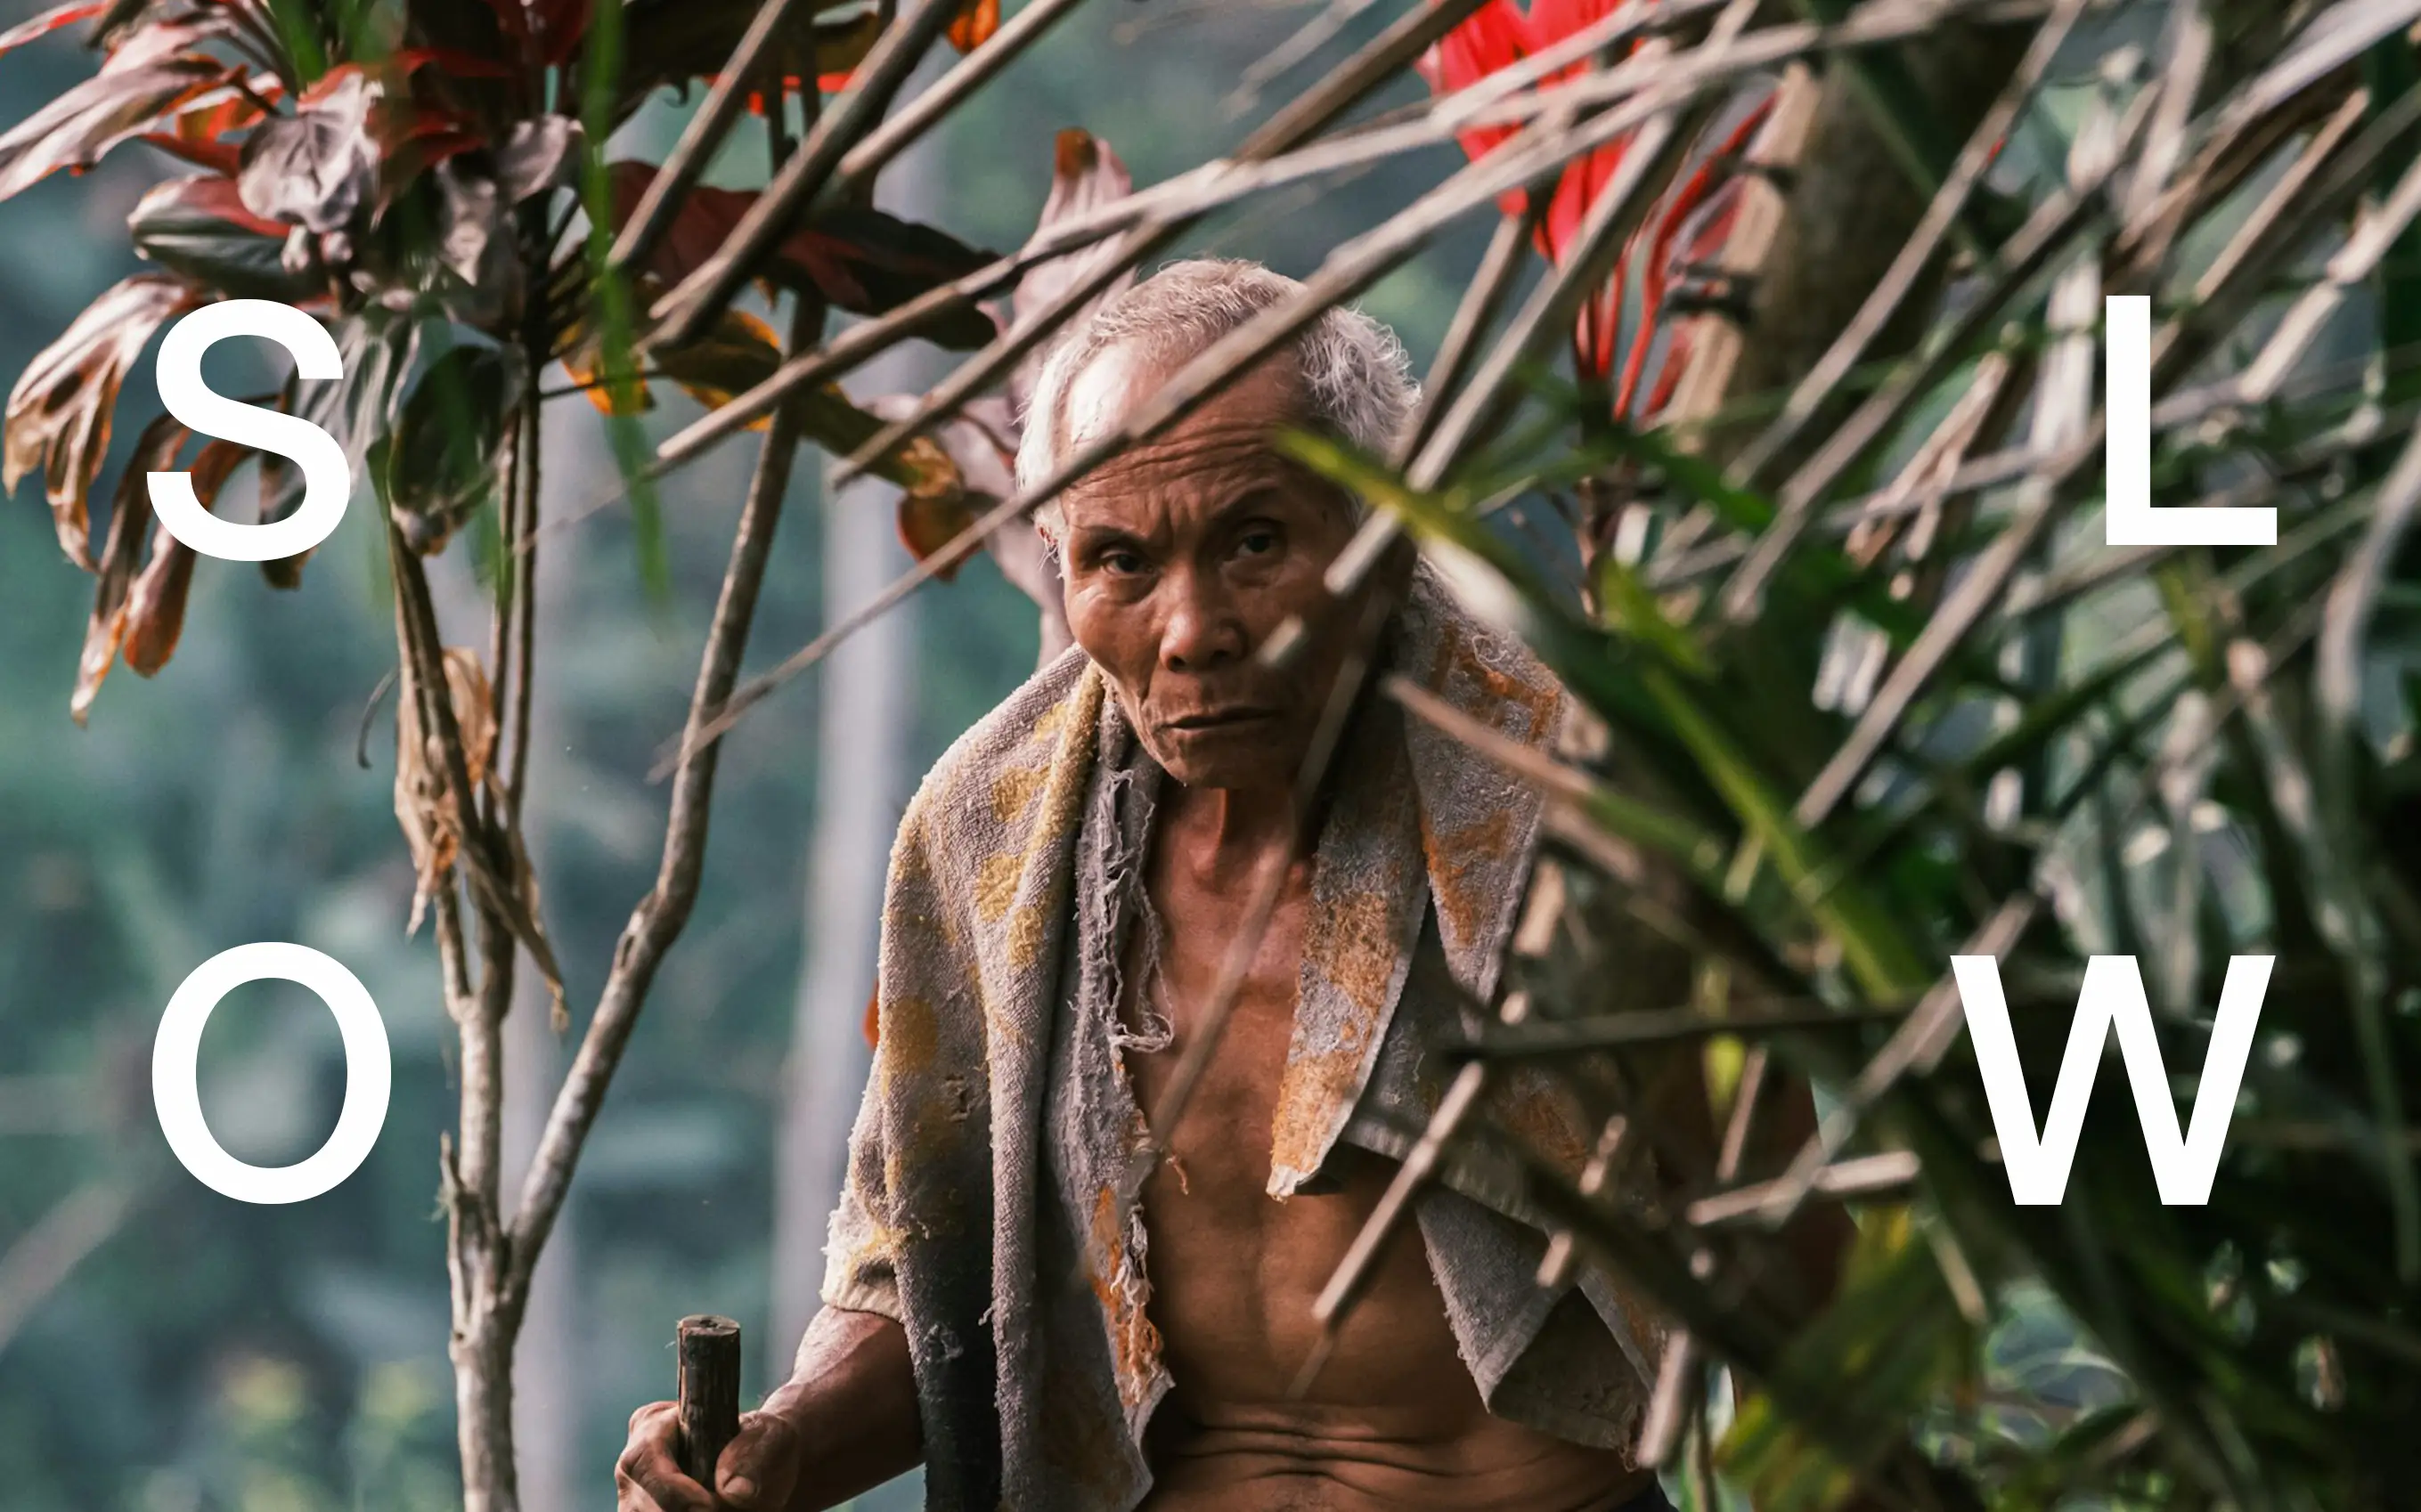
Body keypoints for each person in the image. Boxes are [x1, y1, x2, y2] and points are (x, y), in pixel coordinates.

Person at [616, 260, 1847, 1512]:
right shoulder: (986, 832)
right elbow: (930, 1275)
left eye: (1254, 543)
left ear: (1378, 539)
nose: (1192, 628)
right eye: (1121, 561)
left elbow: (1801, 1294)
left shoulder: (1580, 826)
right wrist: (781, 1445)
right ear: (1059, 563)